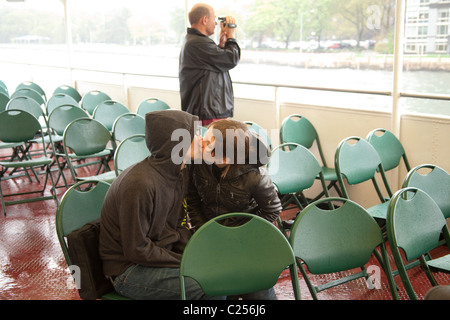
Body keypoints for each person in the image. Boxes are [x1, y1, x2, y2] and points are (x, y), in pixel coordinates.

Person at [99, 109, 222, 300]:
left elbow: (177, 226)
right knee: (212, 285)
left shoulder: (180, 171)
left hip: (161, 253)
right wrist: (185, 261)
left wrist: (201, 253)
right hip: (128, 270)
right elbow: (136, 249)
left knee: (229, 270)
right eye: (194, 134)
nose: (201, 139)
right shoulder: (139, 184)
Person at [186, 119, 282, 300]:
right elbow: (192, 200)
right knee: (219, 290)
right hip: (210, 237)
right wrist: (204, 230)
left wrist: (243, 235)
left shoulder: (254, 176)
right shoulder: (198, 164)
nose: (200, 143)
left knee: (256, 291)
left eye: (207, 143)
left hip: (246, 242)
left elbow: (272, 210)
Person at [179, 3, 240, 126]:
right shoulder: (198, 43)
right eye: (214, 19)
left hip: (209, 109)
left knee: (217, 145)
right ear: (205, 20)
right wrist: (231, 36)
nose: (216, 23)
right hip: (207, 112)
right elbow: (231, 59)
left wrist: (221, 46)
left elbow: (214, 64)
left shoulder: (195, 41)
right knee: (211, 145)